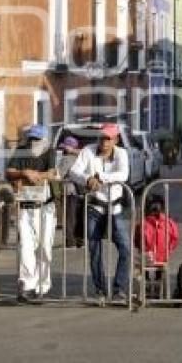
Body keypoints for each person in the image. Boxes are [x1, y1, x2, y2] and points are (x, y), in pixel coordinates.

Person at [69, 123, 131, 304]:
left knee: (125, 249)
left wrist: (101, 179)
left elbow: (124, 174)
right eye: (101, 137)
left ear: (116, 140)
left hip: (115, 209)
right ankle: (100, 289)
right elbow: (74, 171)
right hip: (94, 207)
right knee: (95, 250)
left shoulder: (121, 154)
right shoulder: (88, 150)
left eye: (108, 138)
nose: (103, 141)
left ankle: (119, 289)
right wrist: (87, 179)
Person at [5, 124, 58, 303]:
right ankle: (27, 284)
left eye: (37, 139)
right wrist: (23, 173)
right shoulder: (20, 151)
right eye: (31, 138)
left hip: (45, 207)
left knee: (45, 247)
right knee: (26, 246)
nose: (33, 142)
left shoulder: (50, 152)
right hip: (25, 206)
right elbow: (9, 171)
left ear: (44, 139)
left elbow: (52, 173)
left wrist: (37, 176)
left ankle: (42, 284)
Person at [134, 194, 179, 299]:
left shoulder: (142, 223)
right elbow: (175, 238)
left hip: (146, 256)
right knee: (161, 264)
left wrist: (141, 247)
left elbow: (136, 239)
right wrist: (169, 248)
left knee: (138, 264)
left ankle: (140, 290)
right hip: (163, 256)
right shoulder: (170, 223)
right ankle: (159, 287)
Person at [57, 136, 84, 249]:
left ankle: (70, 241)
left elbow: (59, 175)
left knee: (69, 217)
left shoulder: (66, 159)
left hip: (69, 191)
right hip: (81, 191)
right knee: (79, 216)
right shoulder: (81, 158)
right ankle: (80, 240)